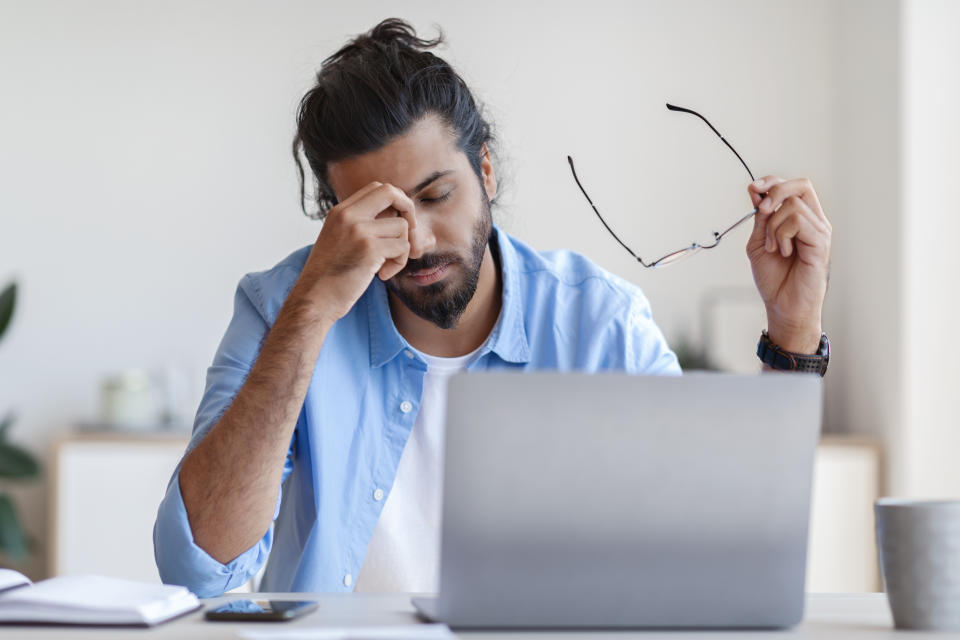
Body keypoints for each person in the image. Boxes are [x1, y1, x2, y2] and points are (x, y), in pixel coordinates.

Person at [153, 18, 832, 597]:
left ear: (486, 172)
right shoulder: (283, 307)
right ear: (335, 218)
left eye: (436, 195)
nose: (415, 240)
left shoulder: (599, 324)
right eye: (378, 214)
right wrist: (309, 315)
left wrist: (793, 328)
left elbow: (724, 559)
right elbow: (197, 567)